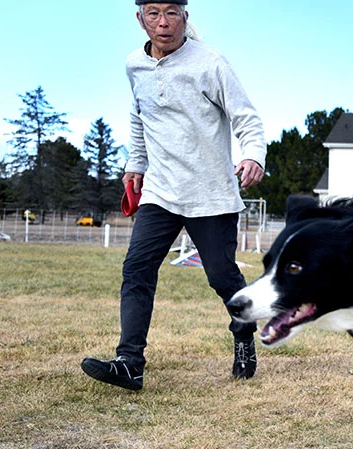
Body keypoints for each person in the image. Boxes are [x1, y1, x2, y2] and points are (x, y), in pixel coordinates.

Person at [81, 0, 266, 391]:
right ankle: (130, 363)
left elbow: (245, 116)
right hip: (160, 191)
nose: (162, 23)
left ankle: (244, 332)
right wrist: (136, 164)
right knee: (137, 269)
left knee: (221, 275)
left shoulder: (211, 63)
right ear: (140, 18)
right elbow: (139, 115)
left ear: (186, 16)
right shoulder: (135, 64)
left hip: (210, 192)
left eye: (171, 13)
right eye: (153, 13)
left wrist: (253, 155)